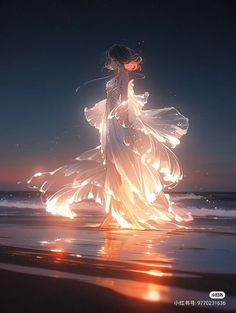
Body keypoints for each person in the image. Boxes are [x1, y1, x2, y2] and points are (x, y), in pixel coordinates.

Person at [28, 43, 193, 230]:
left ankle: (117, 214)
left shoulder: (123, 75)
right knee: (112, 168)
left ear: (118, 59)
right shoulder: (116, 77)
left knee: (120, 167)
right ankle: (113, 214)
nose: (110, 62)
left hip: (118, 123)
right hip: (109, 125)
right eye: (111, 59)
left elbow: (124, 101)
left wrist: (128, 125)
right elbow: (112, 101)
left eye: (113, 59)